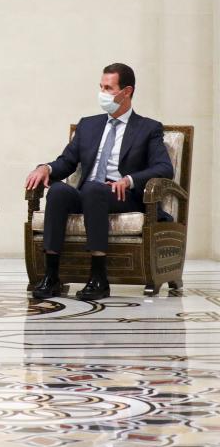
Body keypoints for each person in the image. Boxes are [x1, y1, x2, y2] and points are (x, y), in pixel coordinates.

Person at [24, 63, 173, 300]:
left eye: (109, 88)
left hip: (120, 196)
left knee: (94, 189)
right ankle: (51, 276)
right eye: (101, 87)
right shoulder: (89, 125)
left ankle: (98, 277)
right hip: (87, 194)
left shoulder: (148, 128)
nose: (102, 93)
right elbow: (67, 161)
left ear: (127, 92)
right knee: (59, 192)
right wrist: (46, 167)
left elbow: (164, 168)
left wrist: (129, 179)